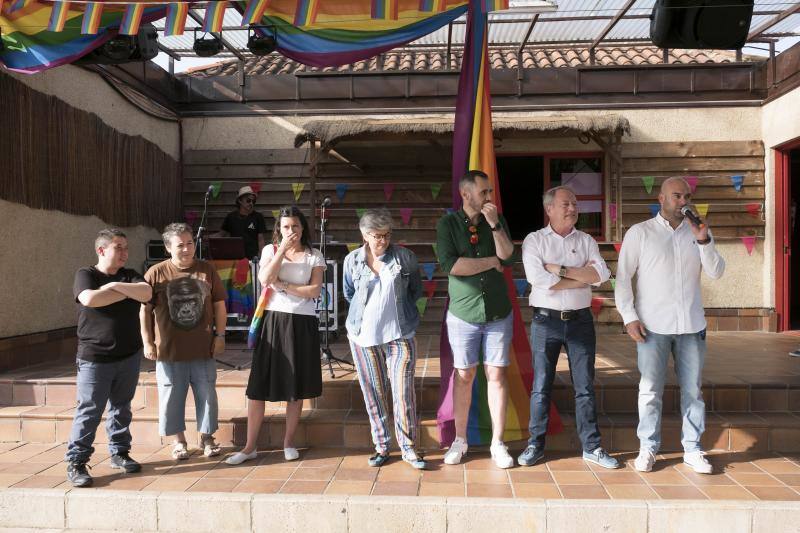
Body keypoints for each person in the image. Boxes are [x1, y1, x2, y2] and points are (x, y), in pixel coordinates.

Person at [615, 177, 725, 474]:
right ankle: (648, 448)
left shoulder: (699, 231)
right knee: (650, 390)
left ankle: (692, 448)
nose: (683, 201)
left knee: (693, 391)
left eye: (686, 196)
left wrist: (703, 240)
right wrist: (629, 317)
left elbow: (716, 272)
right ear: (662, 198)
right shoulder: (640, 233)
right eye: (677, 196)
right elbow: (623, 278)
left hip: (691, 325)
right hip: (652, 327)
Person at [518, 187, 619, 469]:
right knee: (540, 387)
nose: (573, 208)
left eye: (575, 203)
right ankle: (535, 445)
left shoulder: (586, 240)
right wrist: (581, 277)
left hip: (580, 321)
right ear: (549, 209)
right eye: (566, 204)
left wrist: (560, 270)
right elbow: (537, 279)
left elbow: (601, 275)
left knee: (585, 387)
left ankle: (592, 447)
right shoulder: (534, 240)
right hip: (545, 321)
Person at [225, 206, 324, 465]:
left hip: (302, 322)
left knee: (296, 386)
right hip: (272, 319)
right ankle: (249, 447)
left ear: (303, 228)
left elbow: (314, 291)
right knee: (258, 386)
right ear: (279, 229)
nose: (291, 231)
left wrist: (285, 286)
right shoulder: (270, 251)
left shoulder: (314, 255)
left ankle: (288, 442)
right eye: (286, 226)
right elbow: (265, 278)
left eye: (296, 226)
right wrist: (281, 250)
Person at [436, 169, 516, 469]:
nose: (489, 197)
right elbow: (451, 265)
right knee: (465, 375)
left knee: (496, 374)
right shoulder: (447, 224)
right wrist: (490, 262)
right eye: (484, 192)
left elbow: (508, 258)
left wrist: (495, 226)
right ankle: (460, 440)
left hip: (498, 312)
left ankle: (498, 442)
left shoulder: (497, 219)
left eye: (490, 192)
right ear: (466, 194)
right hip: (463, 313)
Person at [66, 229, 152, 487]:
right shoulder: (86, 274)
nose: (125, 253)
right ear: (101, 250)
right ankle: (77, 461)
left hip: (129, 354)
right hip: (95, 357)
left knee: (121, 407)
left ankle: (120, 452)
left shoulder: (129, 274)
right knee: (90, 409)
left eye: (126, 248)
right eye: (119, 248)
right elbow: (89, 298)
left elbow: (146, 293)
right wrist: (127, 292)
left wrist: (114, 287)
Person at [341, 208, 426, 469]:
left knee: (402, 392)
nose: (383, 241)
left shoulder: (405, 257)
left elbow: (415, 291)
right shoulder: (352, 260)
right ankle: (381, 446)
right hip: (363, 338)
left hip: (400, 334)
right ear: (364, 234)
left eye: (387, 235)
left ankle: (409, 448)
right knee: (374, 393)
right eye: (377, 236)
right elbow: (349, 294)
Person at [140, 223, 227, 460]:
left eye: (190, 243)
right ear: (168, 248)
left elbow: (219, 305)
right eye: (180, 245)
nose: (187, 249)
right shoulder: (155, 273)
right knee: (171, 396)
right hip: (169, 351)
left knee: (207, 394)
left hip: (203, 349)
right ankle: (178, 441)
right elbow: (144, 311)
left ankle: (207, 438)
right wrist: (148, 342)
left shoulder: (207, 270)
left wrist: (220, 335)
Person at [218, 185, 267, 259]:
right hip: (234, 258)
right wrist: (204, 237)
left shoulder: (258, 217)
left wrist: (262, 258)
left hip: (252, 259)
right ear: (240, 201)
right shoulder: (231, 217)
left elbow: (261, 240)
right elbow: (221, 234)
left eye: (253, 201)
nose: (251, 203)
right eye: (248, 200)